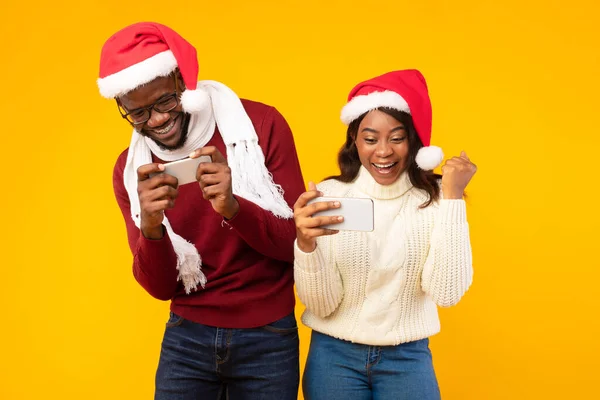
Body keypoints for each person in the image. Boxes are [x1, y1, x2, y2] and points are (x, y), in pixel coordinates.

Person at [96, 22, 305, 400]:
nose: (156, 120)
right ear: (121, 107)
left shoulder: (258, 127)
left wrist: (233, 207)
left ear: (183, 80)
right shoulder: (131, 170)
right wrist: (152, 227)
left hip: (268, 335)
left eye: (164, 101)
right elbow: (160, 289)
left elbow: (296, 245)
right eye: (138, 113)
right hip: (186, 337)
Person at [293, 69, 476, 400]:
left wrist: (452, 198)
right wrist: (305, 245)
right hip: (334, 357)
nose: (383, 152)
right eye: (370, 138)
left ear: (414, 141)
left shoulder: (436, 198)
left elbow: (447, 292)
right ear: (354, 141)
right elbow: (322, 304)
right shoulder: (330, 195)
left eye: (396, 137)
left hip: (407, 357)